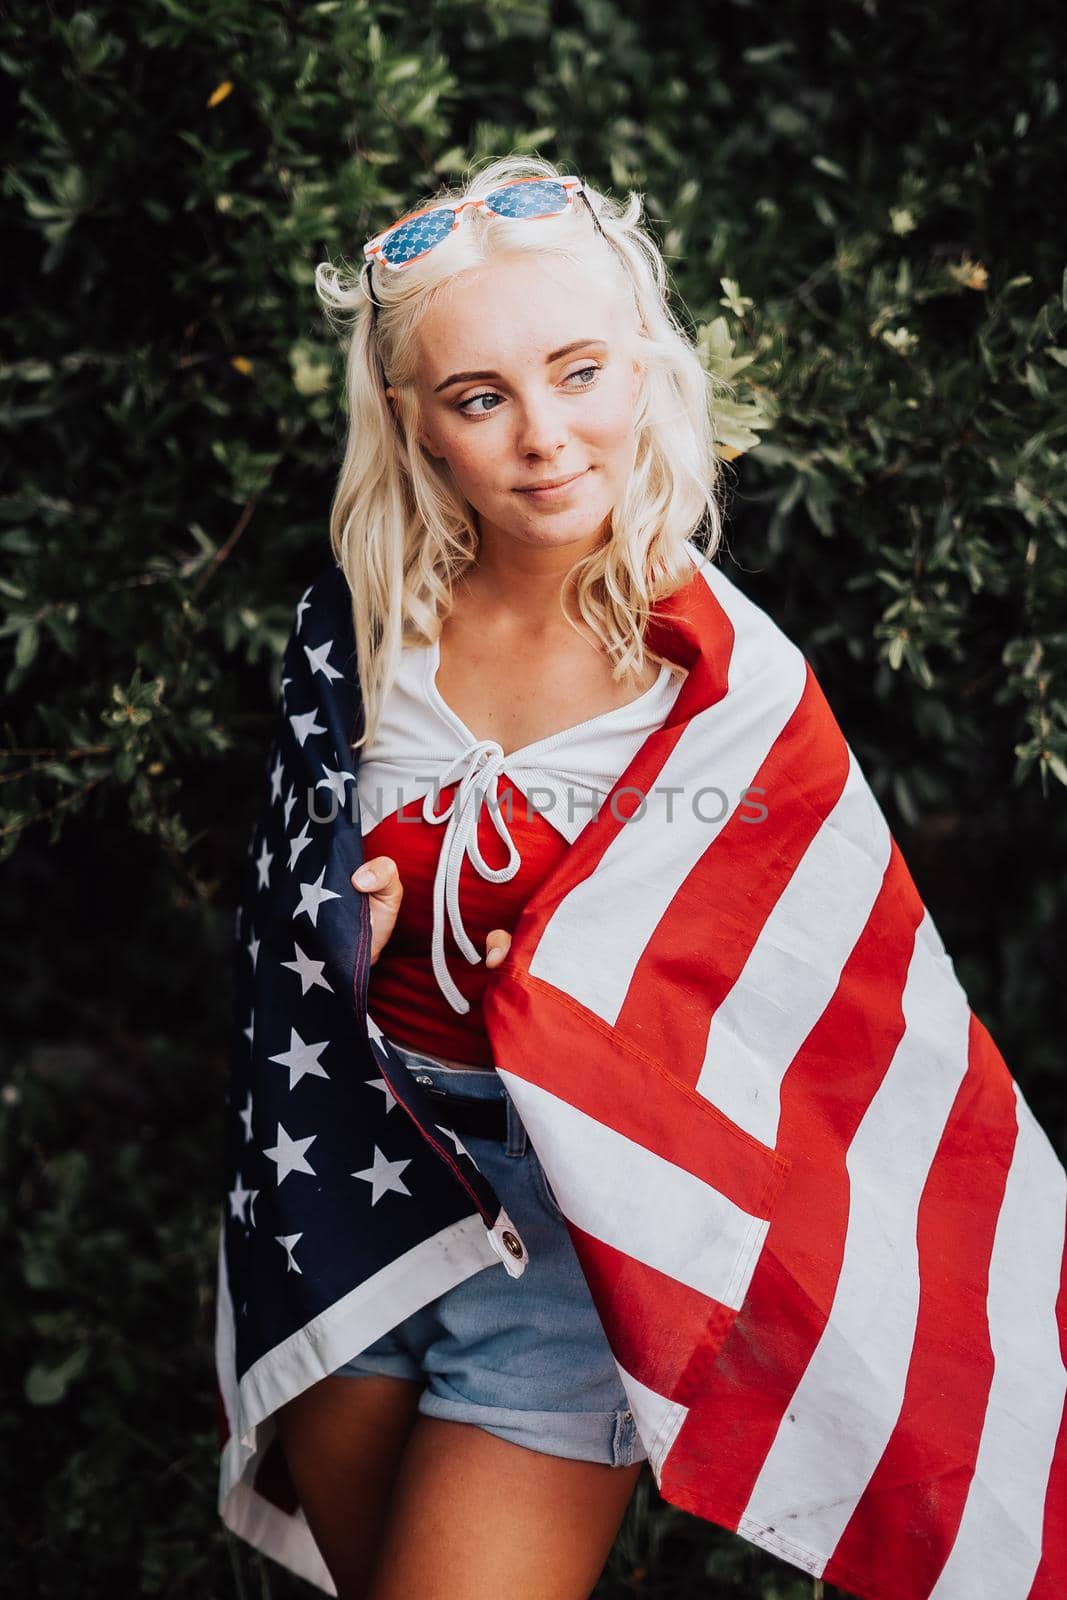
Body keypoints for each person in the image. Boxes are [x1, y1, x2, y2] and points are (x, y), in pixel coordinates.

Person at [270, 157, 723, 1598]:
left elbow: (791, 1013)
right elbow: (286, 924)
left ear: (642, 361)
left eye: (580, 371)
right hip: (355, 1177)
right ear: (415, 424)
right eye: (481, 399)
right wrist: (345, 922)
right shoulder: (361, 635)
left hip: (568, 1239)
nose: (545, 437)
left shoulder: (717, 683)